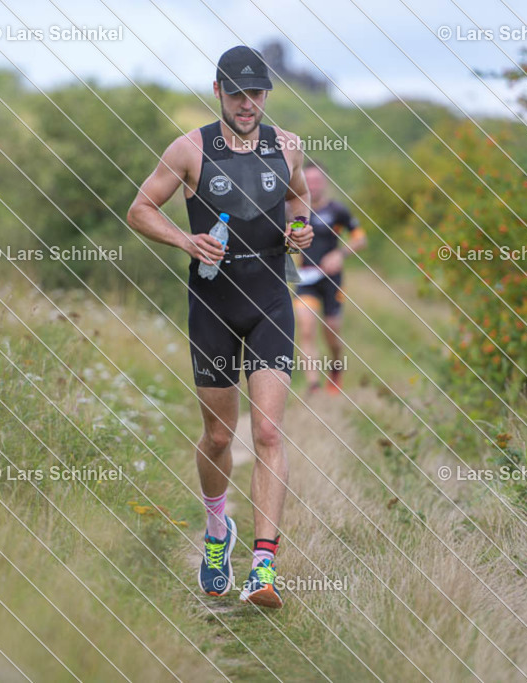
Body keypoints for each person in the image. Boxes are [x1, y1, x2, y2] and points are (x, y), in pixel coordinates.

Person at [127, 45, 312, 609]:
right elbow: (140, 209)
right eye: (237, 94)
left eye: (257, 94)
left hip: (270, 304)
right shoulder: (189, 150)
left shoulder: (288, 147)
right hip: (211, 305)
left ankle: (262, 568)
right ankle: (216, 533)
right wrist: (186, 239)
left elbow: (299, 196)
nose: (248, 104)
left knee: (269, 435)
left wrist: (300, 228)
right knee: (217, 437)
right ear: (218, 92)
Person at [293, 162, 366, 395]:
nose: (313, 186)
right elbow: (289, 237)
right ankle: (313, 385)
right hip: (305, 279)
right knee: (305, 327)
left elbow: (360, 239)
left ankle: (335, 370)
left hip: (332, 279)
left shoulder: (337, 211)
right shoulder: (297, 211)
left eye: (317, 181)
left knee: (331, 331)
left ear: (324, 183)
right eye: (308, 181)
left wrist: (340, 253)